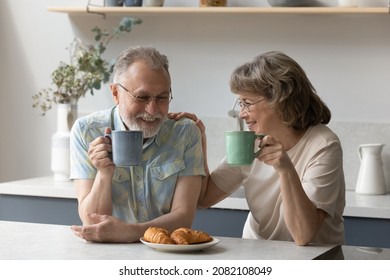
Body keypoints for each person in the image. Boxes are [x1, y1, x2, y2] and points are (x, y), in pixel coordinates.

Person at [169, 51, 345, 246]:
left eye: (247, 103)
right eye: (240, 103)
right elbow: (203, 199)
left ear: (280, 100)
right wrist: (198, 139)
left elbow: (303, 235)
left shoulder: (323, 145)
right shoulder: (251, 143)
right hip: (258, 253)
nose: (242, 114)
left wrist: (285, 169)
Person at [69, 46, 205, 243]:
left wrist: (131, 232)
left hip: (165, 252)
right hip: (107, 254)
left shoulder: (185, 133)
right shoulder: (87, 131)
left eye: (162, 98)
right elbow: (92, 221)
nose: (152, 110)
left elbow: (184, 216)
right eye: (141, 97)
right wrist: (104, 173)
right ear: (115, 93)